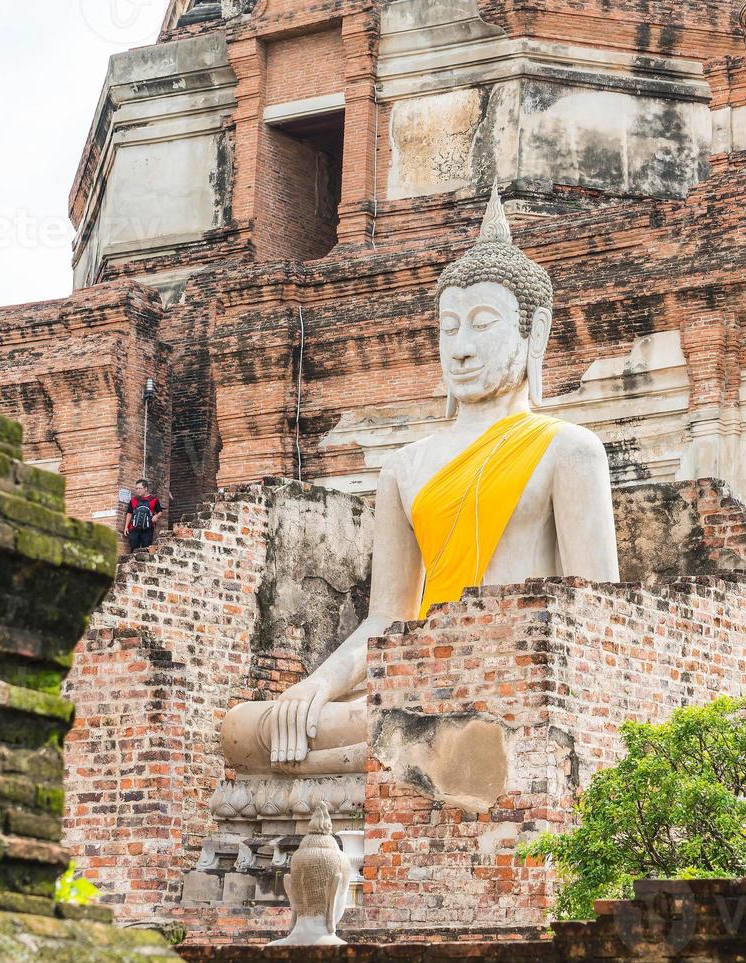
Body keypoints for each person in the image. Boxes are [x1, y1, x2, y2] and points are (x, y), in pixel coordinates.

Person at [221, 186, 619, 775]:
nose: (459, 348)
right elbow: (389, 615)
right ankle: (403, 753)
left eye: (483, 325)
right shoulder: (405, 466)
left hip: (512, 681)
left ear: (534, 333)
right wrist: (318, 685)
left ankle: (397, 754)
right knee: (241, 731)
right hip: (419, 675)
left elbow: (598, 616)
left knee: (436, 727)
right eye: (448, 327)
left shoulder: (568, 449)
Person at [123, 479, 162, 551]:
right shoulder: (133, 500)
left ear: (146, 488)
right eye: (136, 488)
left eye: (139, 488)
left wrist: (156, 516)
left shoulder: (154, 500)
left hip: (148, 528)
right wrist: (126, 527)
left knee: (146, 549)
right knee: (133, 548)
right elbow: (129, 513)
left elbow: (160, 511)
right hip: (134, 528)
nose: (137, 490)